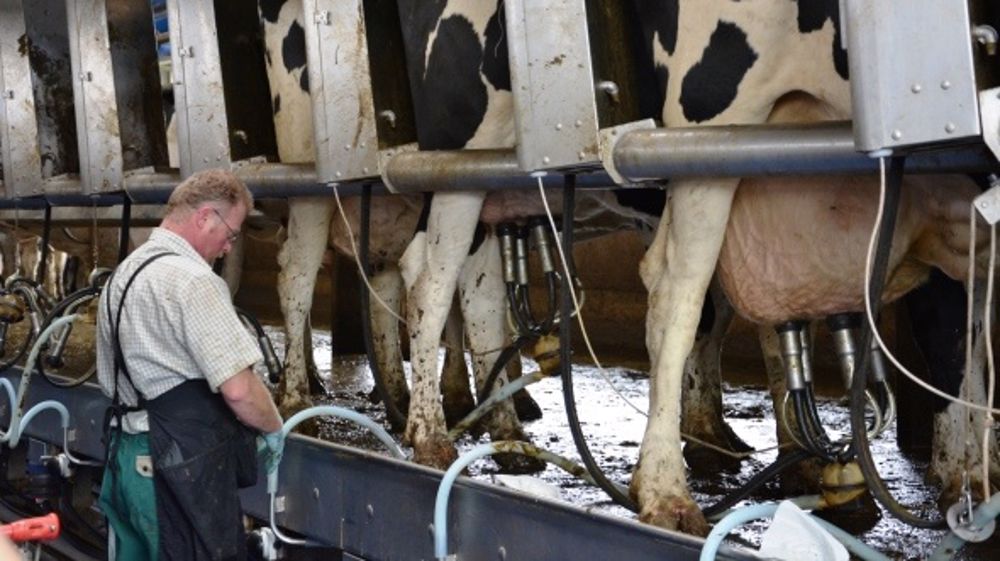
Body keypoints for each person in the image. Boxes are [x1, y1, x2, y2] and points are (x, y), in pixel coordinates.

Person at [95, 169, 284, 561]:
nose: (229, 248)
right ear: (205, 218)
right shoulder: (193, 280)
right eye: (230, 234)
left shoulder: (124, 274)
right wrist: (273, 426)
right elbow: (238, 388)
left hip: (126, 457)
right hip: (173, 468)